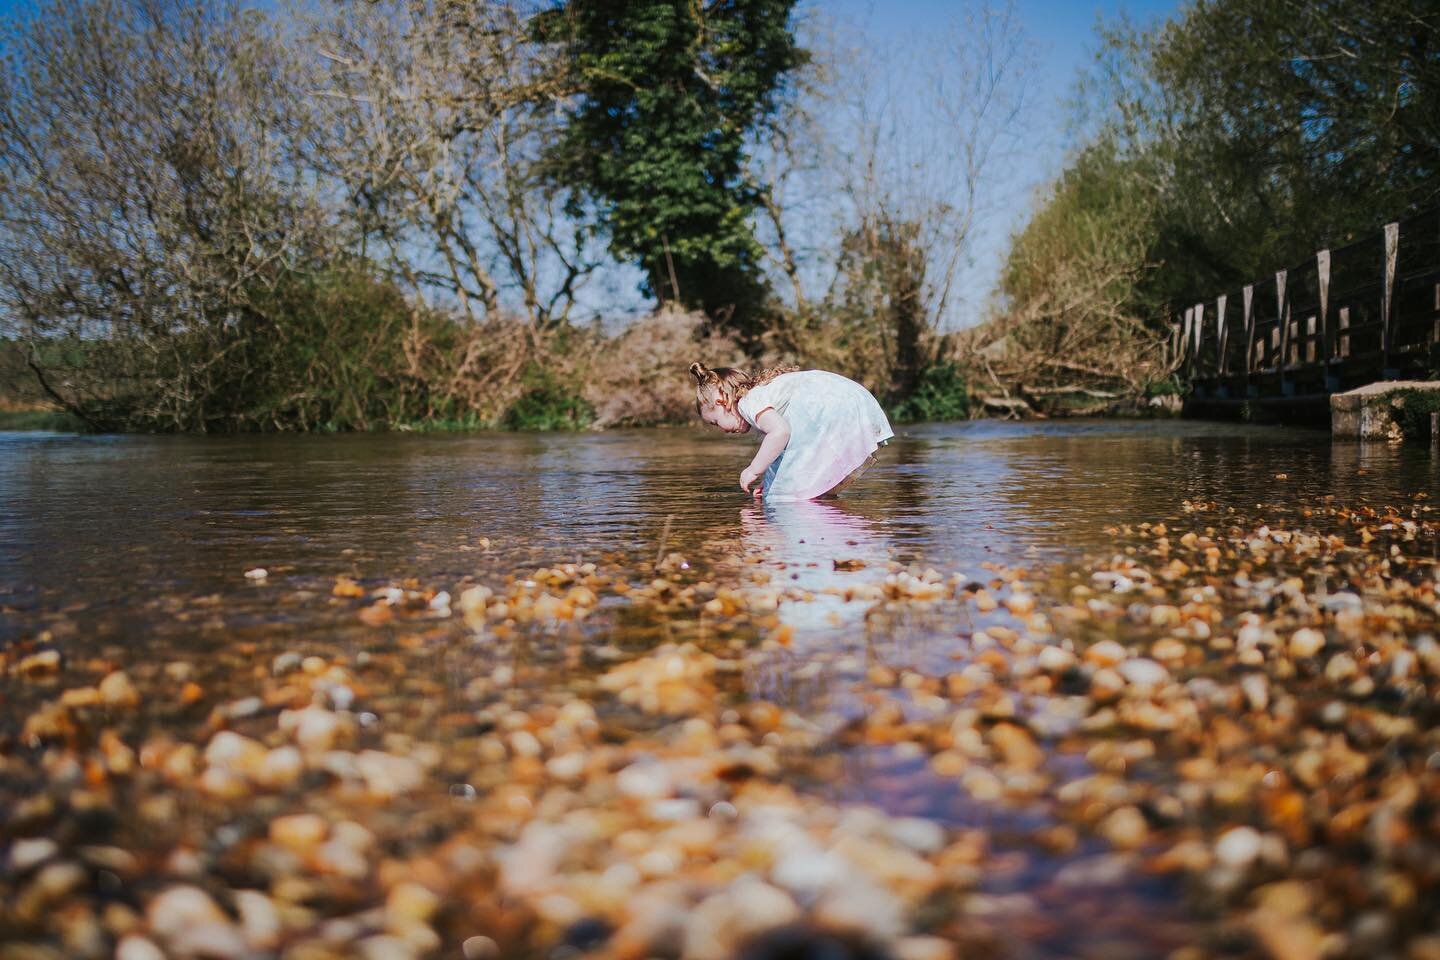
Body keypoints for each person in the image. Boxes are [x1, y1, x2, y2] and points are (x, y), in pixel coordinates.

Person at [689, 361, 894, 501]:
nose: (722, 431)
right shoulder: (763, 394)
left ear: (722, 402)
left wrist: (753, 470)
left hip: (831, 408)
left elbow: (780, 433)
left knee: (785, 498)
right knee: (801, 481)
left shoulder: (747, 402)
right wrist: (770, 482)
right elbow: (784, 446)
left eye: (715, 422)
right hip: (850, 399)